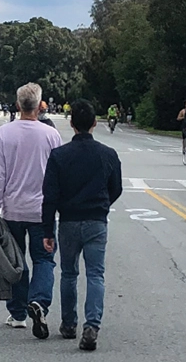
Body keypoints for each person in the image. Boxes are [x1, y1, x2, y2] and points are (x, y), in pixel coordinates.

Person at [42, 99, 122, 351]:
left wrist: (47, 229)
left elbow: (50, 195)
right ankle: (92, 325)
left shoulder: (59, 156)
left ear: (72, 123)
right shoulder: (108, 155)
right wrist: (102, 204)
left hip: (68, 220)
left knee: (68, 273)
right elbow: (116, 188)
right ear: (95, 123)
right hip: (96, 221)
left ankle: (68, 323)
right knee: (95, 274)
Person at [0, 83, 63, 339]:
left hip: (13, 209)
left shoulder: (5, 133)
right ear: (40, 106)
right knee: (44, 260)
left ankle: (18, 313)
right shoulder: (51, 135)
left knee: (15, 262)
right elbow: (58, 175)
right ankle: (39, 302)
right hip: (42, 210)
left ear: (18, 105)